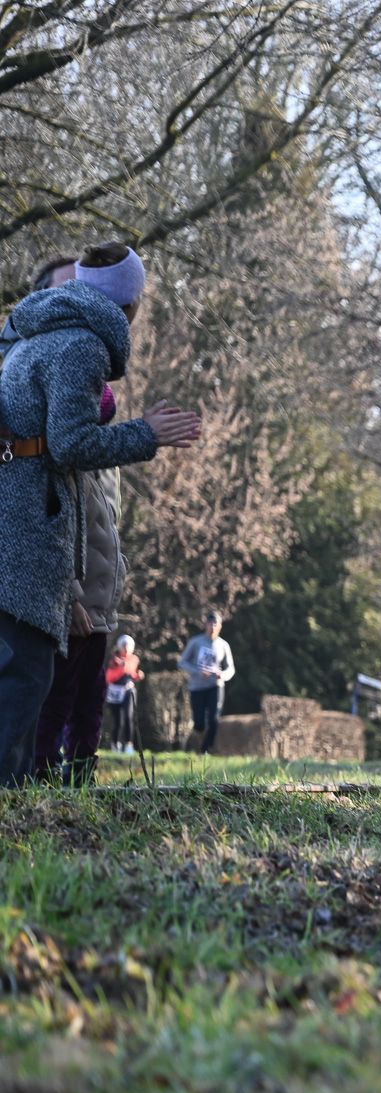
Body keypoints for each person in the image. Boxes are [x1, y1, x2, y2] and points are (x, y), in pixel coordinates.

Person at [0, 243, 200, 783]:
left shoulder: (31, 332)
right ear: (130, 303)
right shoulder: (81, 345)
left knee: (24, 675)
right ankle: (13, 804)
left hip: (17, 516)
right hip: (28, 523)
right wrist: (147, 434)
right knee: (25, 677)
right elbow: (69, 446)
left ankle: (19, 797)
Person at [25, 256, 133, 785]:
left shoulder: (97, 422)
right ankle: (39, 784)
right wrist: (68, 591)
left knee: (90, 702)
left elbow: (105, 520)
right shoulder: (42, 413)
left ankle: (80, 783)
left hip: (100, 598)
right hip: (63, 594)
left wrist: (110, 584)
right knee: (53, 695)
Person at [178, 608, 235, 754]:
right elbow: (182, 662)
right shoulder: (196, 642)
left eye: (216, 624)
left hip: (215, 685)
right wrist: (198, 671)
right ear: (206, 625)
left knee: (214, 719)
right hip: (197, 687)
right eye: (210, 624)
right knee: (199, 723)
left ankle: (206, 749)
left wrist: (222, 675)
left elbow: (231, 669)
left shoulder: (224, 645)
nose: (213, 627)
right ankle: (198, 740)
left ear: (220, 626)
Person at [104, 635, 142, 754]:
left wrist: (138, 675)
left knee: (128, 717)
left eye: (128, 646)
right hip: (115, 692)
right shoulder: (113, 660)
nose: (126, 649)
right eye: (124, 646)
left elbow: (132, 673)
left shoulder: (134, 659)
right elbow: (109, 677)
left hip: (128, 691)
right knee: (118, 720)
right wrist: (121, 667)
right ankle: (115, 744)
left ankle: (129, 745)